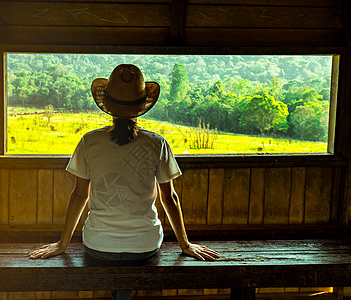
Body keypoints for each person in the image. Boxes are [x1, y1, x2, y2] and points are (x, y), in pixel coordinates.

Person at [29, 64, 220, 299]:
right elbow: (169, 198)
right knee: (127, 273)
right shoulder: (157, 143)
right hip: (144, 246)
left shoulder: (90, 141)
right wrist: (186, 245)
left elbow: (80, 195)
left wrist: (62, 244)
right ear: (142, 106)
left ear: (107, 105)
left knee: (113, 267)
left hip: (98, 244)